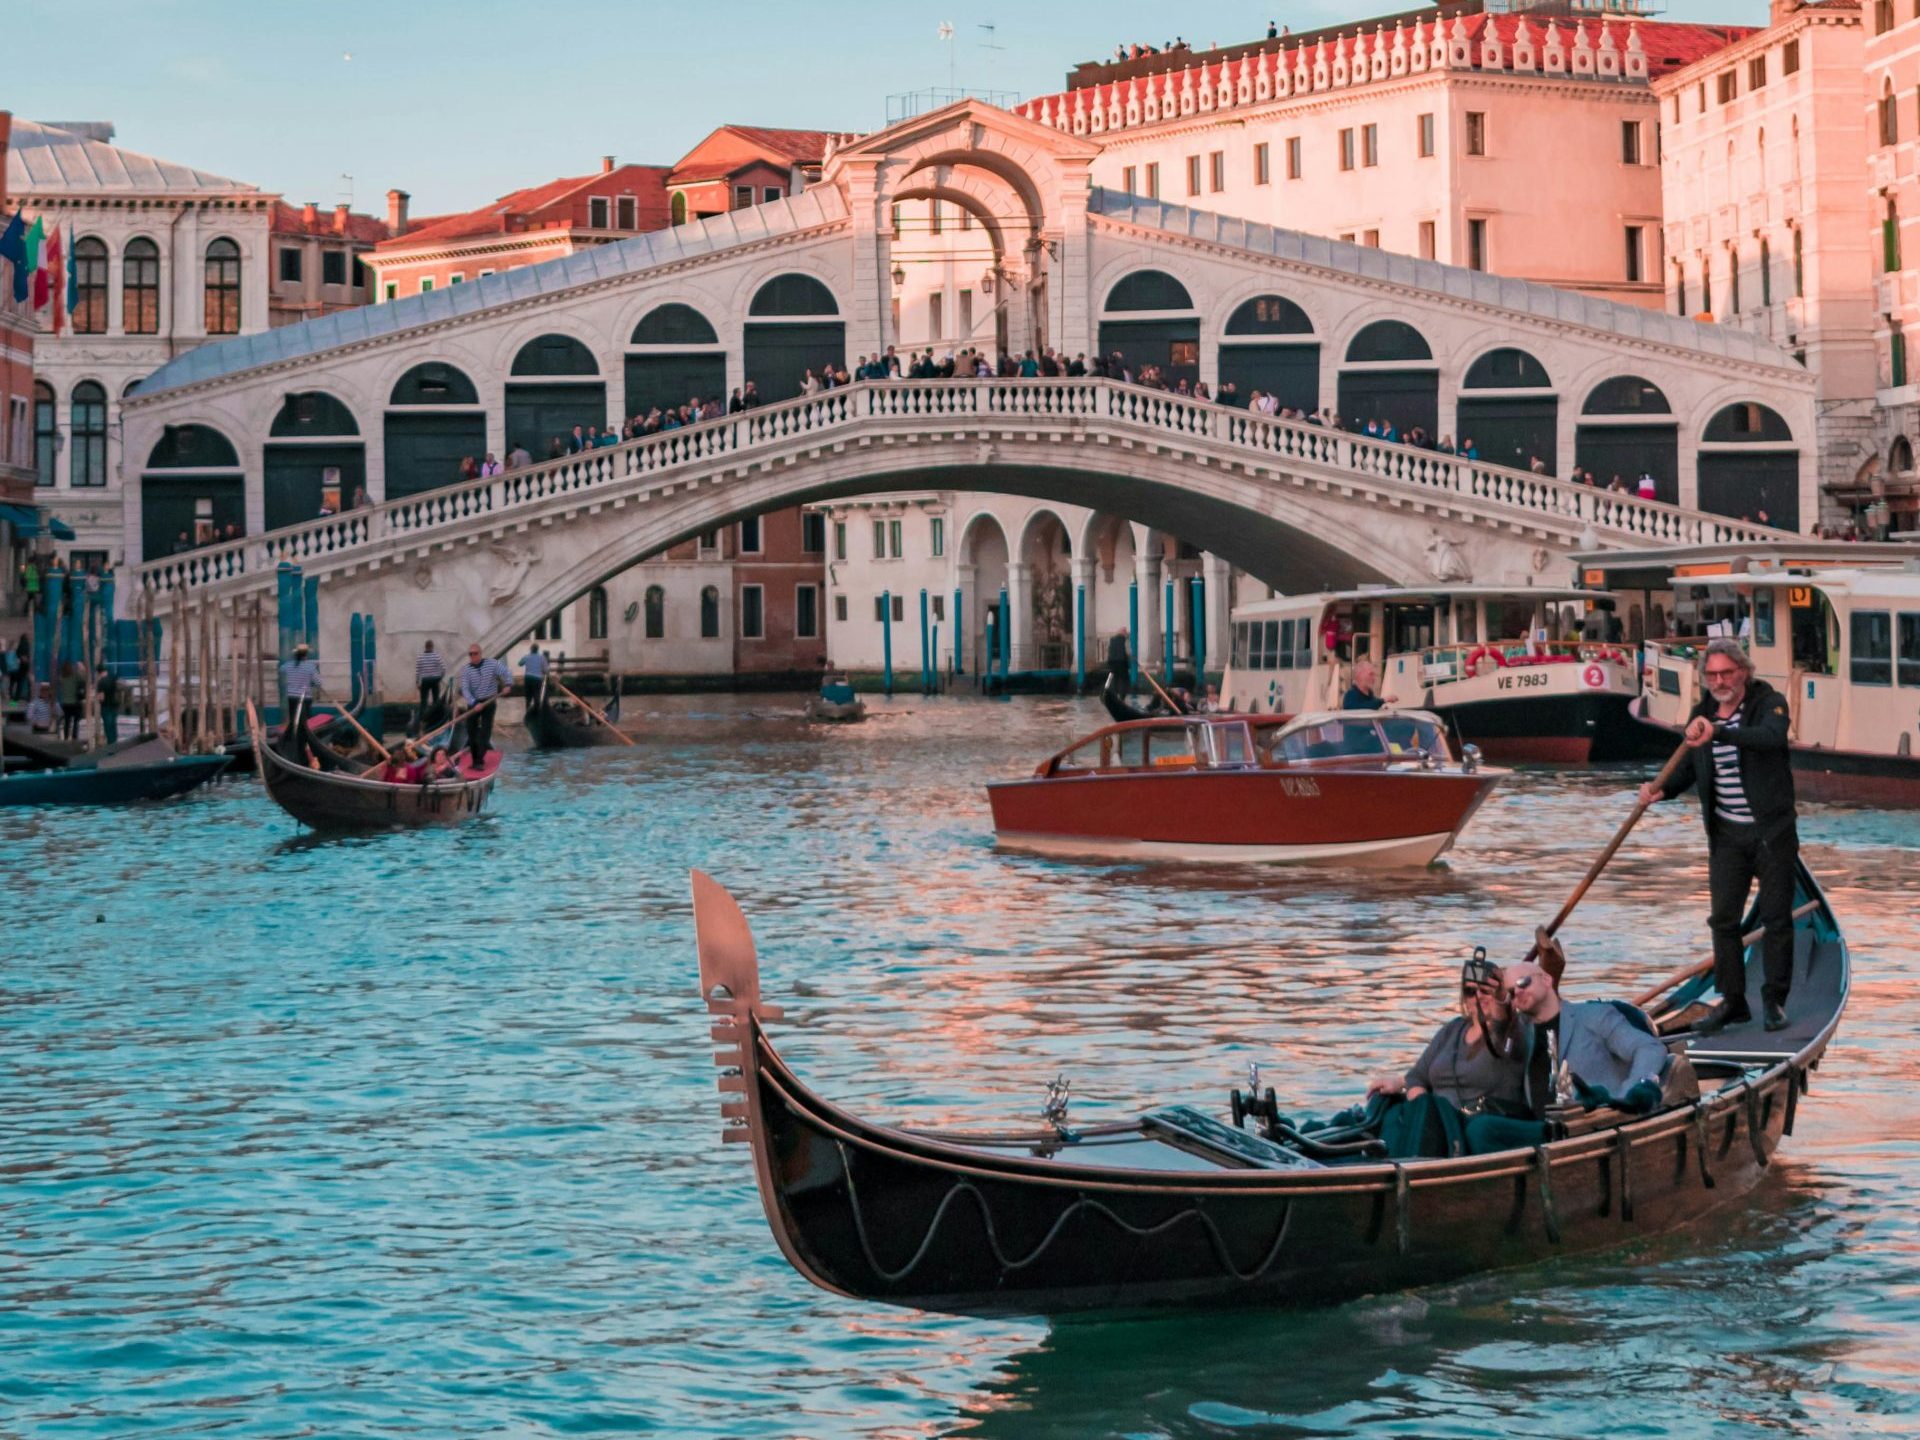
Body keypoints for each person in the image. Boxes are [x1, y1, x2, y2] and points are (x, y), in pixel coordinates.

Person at [1638, 639, 1798, 1033]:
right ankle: (1733, 1000)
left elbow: (1770, 738)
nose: (1720, 681)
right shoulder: (1702, 714)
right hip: (1727, 835)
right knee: (1723, 920)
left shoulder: (1769, 703)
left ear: (1743, 672)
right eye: (1712, 675)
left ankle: (1775, 999)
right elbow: (1691, 765)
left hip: (1771, 833)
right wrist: (1662, 789)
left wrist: (1719, 733)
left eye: (1727, 673)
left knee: (1777, 918)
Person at [1366, 955, 1527, 1156]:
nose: (1478, 996)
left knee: (1423, 1110)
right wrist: (1417, 1099)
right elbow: (1417, 1076)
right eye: (1470, 991)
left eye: (1485, 990)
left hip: (1473, 1121)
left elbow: (1509, 1028)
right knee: (1384, 1106)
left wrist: (1502, 1003)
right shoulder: (1453, 1029)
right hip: (1433, 1119)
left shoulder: (1511, 1033)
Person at [1501, 959, 1673, 1132]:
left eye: (1523, 982)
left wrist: (1627, 1096)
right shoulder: (1516, 1034)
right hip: (1542, 1133)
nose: (1517, 992)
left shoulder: (1594, 1016)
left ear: (1546, 980)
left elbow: (1650, 1048)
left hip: (1599, 1129)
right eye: (1510, 992)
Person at [456, 643, 512, 768]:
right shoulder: (466, 670)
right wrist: (474, 703)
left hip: (490, 701)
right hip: (474, 703)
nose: (473, 656)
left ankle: (479, 760)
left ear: (480, 654)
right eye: (470, 654)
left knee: (485, 733)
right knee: (471, 731)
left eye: (475, 653)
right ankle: (475, 759)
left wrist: (508, 684)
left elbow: (506, 672)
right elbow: (465, 689)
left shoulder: (492, 664)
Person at [280, 642, 324, 761]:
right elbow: (319, 682)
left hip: (292, 698)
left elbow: (281, 669)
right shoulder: (310, 666)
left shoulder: (289, 665)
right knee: (305, 724)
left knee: (294, 719)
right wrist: (310, 681)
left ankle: (292, 743)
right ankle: (303, 747)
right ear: (306, 655)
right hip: (304, 698)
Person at [415, 639, 446, 724]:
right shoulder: (436, 656)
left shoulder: (420, 657)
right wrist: (440, 678)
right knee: (436, 700)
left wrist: (417, 682)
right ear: (432, 647)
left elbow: (418, 671)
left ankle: (422, 720)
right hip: (435, 679)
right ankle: (437, 718)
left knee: (424, 700)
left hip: (425, 680)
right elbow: (443, 669)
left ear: (425, 647)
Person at [55, 660, 85, 741]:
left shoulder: (61, 677)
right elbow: (83, 680)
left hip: (65, 703)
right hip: (74, 702)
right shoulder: (75, 675)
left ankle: (66, 737)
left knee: (67, 722)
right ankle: (74, 737)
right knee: (76, 721)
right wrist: (82, 670)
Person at [96, 663, 122, 745]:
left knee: (108, 726)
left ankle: (111, 744)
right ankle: (115, 742)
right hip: (115, 704)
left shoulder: (101, 682)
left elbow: (101, 697)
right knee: (113, 725)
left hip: (106, 706)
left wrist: (97, 698)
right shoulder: (113, 677)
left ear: (98, 672)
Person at [519, 643, 549, 707]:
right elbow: (546, 670)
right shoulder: (542, 657)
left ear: (531, 649)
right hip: (537, 679)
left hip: (528, 678)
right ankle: (536, 711)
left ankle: (528, 711)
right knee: (536, 695)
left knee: (528, 696)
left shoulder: (527, 656)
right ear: (537, 649)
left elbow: (520, 663)